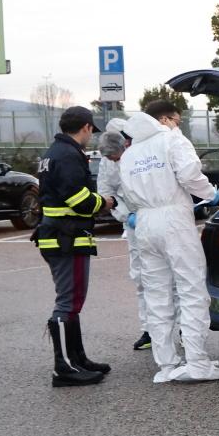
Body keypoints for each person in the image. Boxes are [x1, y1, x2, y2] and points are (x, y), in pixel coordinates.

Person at [119, 98, 219, 383]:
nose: (179, 126)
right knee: (191, 290)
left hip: (144, 222)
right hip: (174, 221)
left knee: (157, 295)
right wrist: (208, 193)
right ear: (165, 120)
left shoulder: (130, 153)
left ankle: (167, 364)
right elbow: (190, 174)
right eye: (177, 121)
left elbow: (127, 192)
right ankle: (196, 362)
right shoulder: (172, 141)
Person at [34, 106, 112, 387]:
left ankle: (77, 359)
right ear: (87, 128)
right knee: (68, 301)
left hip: (58, 236)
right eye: (92, 131)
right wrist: (103, 203)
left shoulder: (54, 152)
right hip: (67, 238)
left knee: (72, 300)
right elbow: (78, 199)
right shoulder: (68, 155)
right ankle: (64, 367)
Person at [96, 119, 152, 352]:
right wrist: (124, 215)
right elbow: (106, 192)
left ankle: (177, 326)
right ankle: (149, 329)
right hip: (133, 224)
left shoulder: (144, 152)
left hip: (154, 218)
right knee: (141, 277)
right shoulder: (108, 162)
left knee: (169, 275)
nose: (114, 160)